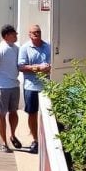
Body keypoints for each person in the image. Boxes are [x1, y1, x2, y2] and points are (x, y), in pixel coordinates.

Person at [18, 24, 51, 154]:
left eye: (38, 32)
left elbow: (52, 63)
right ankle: (35, 140)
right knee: (32, 113)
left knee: (48, 114)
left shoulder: (48, 46)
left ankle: (46, 139)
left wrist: (47, 67)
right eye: (33, 32)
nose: (36, 34)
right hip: (31, 86)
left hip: (46, 86)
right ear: (29, 34)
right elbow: (21, 67)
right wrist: (37, 68)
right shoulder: (25, 48)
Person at [0, 24, 22, 153]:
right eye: (14, 34)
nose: (16, 36)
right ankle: (8, 138)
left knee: (4, 114)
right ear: (7, 36)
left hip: (6, 86)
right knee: (11, 112)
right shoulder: (1, 49)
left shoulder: (14, 48)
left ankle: (7, 141)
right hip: (8, 86)